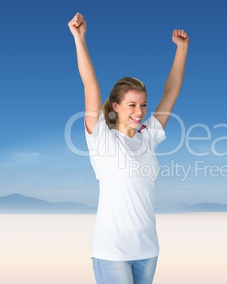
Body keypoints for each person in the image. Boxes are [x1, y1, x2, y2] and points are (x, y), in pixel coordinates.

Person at [68, 12, 189, 284]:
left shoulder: (148, 137)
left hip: (147, 250)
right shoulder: (102, 138)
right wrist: (80, 39)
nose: (140, 111)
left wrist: (182, 50)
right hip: (112, 252)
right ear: (116, 107)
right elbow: (90, 85)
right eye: (132, 105)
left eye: (143, 104)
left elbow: (171, 93)